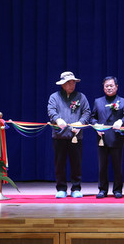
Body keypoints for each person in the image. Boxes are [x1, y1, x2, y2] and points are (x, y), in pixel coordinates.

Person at [47, 71, 90, 199]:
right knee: (59, 164)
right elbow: (51, 110)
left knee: (76, 164)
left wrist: (80, 123)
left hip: (76, 136)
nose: (72, 85)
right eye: (69, 83)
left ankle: (76, 188)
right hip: (59, 136)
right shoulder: (54, 97)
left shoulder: (81, 97)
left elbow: (87, 112)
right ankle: (61, 189)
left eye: (73, 82)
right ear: (62, 84)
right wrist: (57, 119)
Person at [90, 76, 124, 199]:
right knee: (102, 166)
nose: (109, 88)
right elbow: (92, 117)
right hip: (102, 137)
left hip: (116, 137)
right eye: (106, 86)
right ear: (103, 88)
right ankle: (102, 189)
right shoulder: (98, 101)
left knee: (117, 166)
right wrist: (96, 125)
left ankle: (118, 190)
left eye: (111, 85)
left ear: (116, 87)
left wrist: (121, 121)